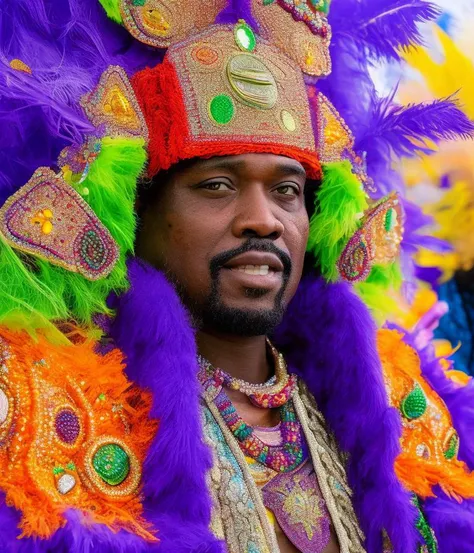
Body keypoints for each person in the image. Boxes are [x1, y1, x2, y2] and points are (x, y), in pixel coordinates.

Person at [0, 1, 474, 553]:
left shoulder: (394, 400)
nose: (264, 220)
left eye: (287, 191)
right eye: (217, 186)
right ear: (137, 213)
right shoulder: (45, 406)